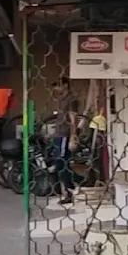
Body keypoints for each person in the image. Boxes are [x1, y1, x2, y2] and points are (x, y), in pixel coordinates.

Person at [46, 77, 80, 205]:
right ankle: (69, 189)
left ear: (65, 85)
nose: (56, 88)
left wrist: (73, 136)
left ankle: (71, 190)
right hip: (59, 135)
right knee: (58, 163)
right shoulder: (61, 100)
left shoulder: (72, 99)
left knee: (63, 162)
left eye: (58, 85)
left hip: (65, 135)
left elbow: (73, 119)